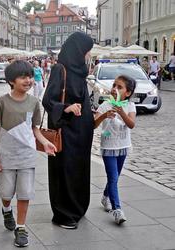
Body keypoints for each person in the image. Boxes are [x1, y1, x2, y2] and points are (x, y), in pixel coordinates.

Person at [0, 60, 56, 247]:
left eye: (29, 76)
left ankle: (21, 228)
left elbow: (34, 129)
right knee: (6, 192)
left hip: (27, 156)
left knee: (25, 193)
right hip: (6, 156)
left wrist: (45, 142)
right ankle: (6, 209)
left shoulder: (34, 102)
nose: (28, 80)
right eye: (23, 77)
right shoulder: (2, 102)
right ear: (11, 81)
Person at [42, 32, 94, 229]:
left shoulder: (80, 71)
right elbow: (48, 100)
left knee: (79, 170)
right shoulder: (60, 69)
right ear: (78, 50)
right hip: (66, 132)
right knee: (65, 171)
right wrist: (66, 108)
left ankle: (78, 208)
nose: (89, 54)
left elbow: (81, 99)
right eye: (87, 50)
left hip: (82, 134)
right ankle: (64, 214)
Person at [94, 75, 136, 225]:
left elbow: (131, 124)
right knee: (112, 177)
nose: (114, 89)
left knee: (115, 177)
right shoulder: (105, 105)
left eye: (119, 87)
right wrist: (105, 115)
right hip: (109, 147)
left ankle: (106, 196)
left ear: (128, 93)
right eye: (114, 85)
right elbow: (93, 124)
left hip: (123, 146)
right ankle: (117, 210)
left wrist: (121, 112)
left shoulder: (130, 106)